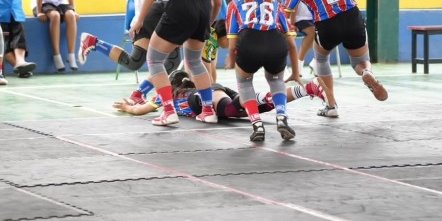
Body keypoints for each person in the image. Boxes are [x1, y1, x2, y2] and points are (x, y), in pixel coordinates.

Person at [130, 0, 224, 127]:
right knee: (195, 61)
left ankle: (169, 111)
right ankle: (208, 111)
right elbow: (218, 0)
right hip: (203, 5)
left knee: (155, 60)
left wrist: (139, 19)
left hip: (181, 3)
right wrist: (208, 23)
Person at [113, 70, 333, 140]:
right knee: (260, 106)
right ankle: (308, 89)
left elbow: (141, 109)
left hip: (201, 99)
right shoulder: (185, 91)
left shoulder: (168, 96)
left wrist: (128, 108)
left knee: (233, 108)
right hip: (212, 93)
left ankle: (306, 89)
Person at [227, 0, 302, 142]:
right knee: (276, 81)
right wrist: (295, 72)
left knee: (245, 83)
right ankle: (282, 117)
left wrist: (231, 59)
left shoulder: (235, 3)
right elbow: (291, 43)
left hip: (249, 43)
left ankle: (257, 125)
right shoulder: (274, 2)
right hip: (275, 42)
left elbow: (232, 42)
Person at [77, 0, 180, 82]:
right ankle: (149, 89)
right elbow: (144, 14)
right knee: (172, 59)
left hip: (161, 26)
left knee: (134, 62)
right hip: (144, 25)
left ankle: (94, 42)